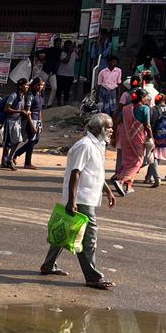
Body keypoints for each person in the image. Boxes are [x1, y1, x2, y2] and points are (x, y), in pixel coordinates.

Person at [41, 114, 117, 290]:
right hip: (81, 199)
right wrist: (72, 201)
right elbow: (76, 173)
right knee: (88, 239)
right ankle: (92, 276)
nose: (112, 130)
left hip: (88, 196)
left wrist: (108, 192)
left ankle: (48, 265)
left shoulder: (98, 145)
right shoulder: (84, 146)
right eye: (109, 127)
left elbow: (95, 172)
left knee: (67, 229)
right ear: (99, 129)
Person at [111, 89, 151, 196]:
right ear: (142, 98)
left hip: (125, 138)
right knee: (138, 162)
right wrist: (151, 138)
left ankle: (128, 186)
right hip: (138, 139)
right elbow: (147, 125)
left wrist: (114, 136)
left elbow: (117, 121)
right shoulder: (145, 109)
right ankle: (121, 180)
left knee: (127, 161)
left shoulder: (125, 109)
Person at [15, 77, 45, 169]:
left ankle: (17, 153)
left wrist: (41, 122)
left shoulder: (39, 95)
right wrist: (32, 124)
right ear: (34, 85)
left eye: (42, 85)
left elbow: (39, 110)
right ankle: (27, 163)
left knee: (36, 140)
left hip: (37, 120)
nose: (40, 87)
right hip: (30, 120)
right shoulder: (30, 95)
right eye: (38, 85)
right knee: (32, 141)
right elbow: (28, 112)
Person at [148, 95, 166, 186]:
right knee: (157, 156)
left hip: (154, 136)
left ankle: (156, 177)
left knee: (153, 156)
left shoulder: (152, 109)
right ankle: (148, 177)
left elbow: (149, 123)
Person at [1, 79, 29, 169]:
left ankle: (9, 159)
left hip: (17, 121)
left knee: (17, 140)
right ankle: (5, 161)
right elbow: (6, 109)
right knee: (8, 142)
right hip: (10, 121)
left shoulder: (23, 96)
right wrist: (20, 111)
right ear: (20, 86)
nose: (27, 87)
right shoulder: (13, 95)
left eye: (28, 85)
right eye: (26, 85)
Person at [55, 39, 77, 105]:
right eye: (67, 46)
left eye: (70, 46)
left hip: (70, 75)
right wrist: (70, 53)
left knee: (67, 90)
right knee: (59, 89)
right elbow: (65, 61)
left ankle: (65, 102)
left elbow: (78, 58)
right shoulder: (62, 53)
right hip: (61, 74)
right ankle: (58, 101)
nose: (68, 47)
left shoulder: (74, 53)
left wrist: (80, 49)